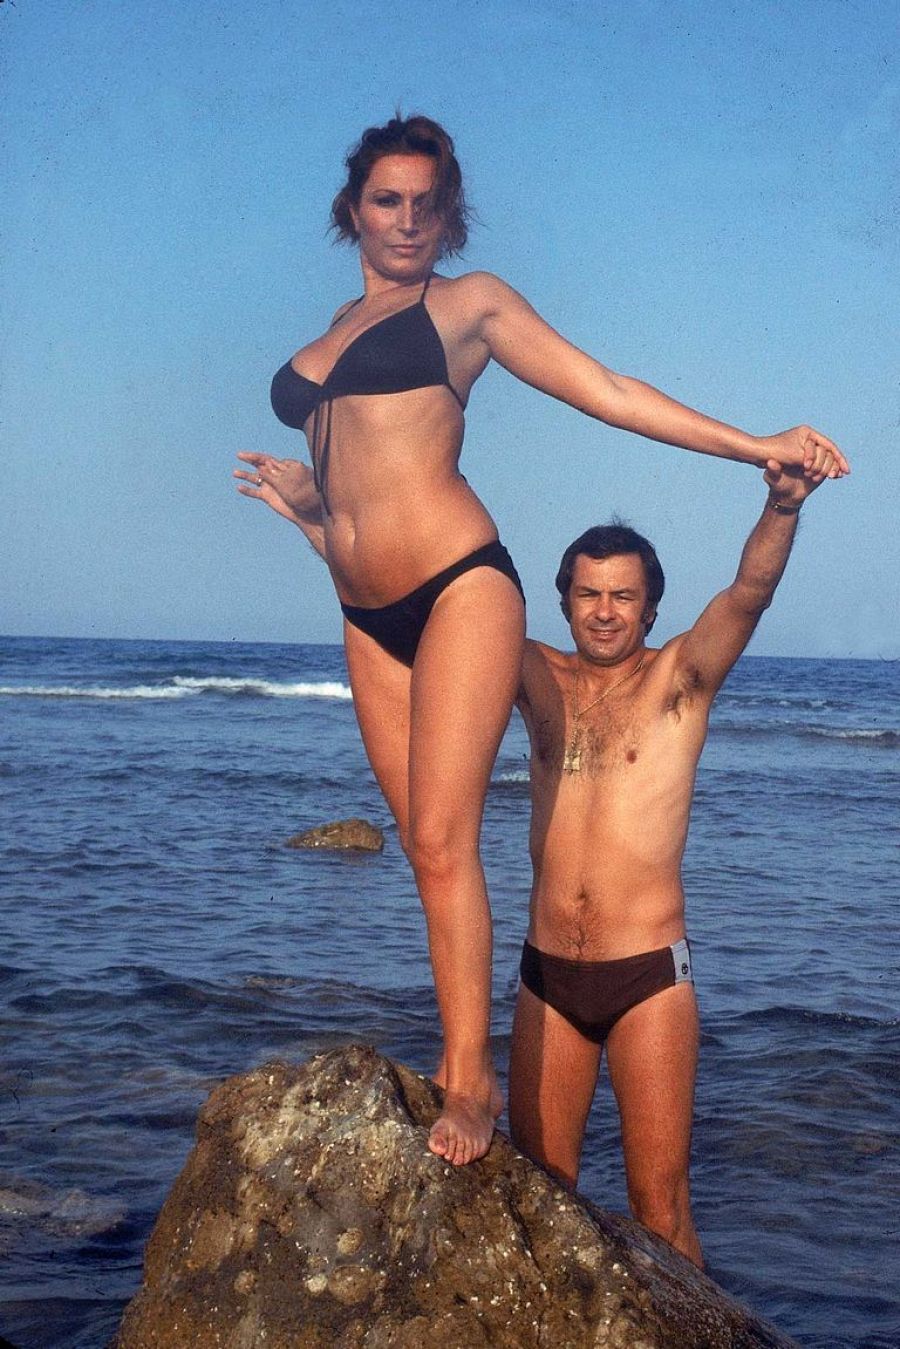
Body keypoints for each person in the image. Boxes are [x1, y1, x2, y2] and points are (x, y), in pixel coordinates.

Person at [233, 114, 846, 1168]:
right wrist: (312, 517)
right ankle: (467, 1056)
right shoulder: (336, 321)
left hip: (456, 583)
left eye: (429, 202)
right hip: (360, 604)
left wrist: (756, 446)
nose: (410, 219)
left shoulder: (470, 306)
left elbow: (606, 390)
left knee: (442, 832)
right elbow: (358, 481)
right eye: (389, 200)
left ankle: (467, 1076)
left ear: (452, 211)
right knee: (423, 852)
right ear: (353, 211)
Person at [508, 461, 826, 1263]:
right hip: (546, 976)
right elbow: (431, 614)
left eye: (623, 595)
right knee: (539, 1197)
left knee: (661, 1206)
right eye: (588, 593)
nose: (605, 610)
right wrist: (322, 529)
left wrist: (781, 506)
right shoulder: (535, 675)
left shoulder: (678, 679)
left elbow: (747, 595)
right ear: (565, 601)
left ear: (651, 604)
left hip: (647, 975)